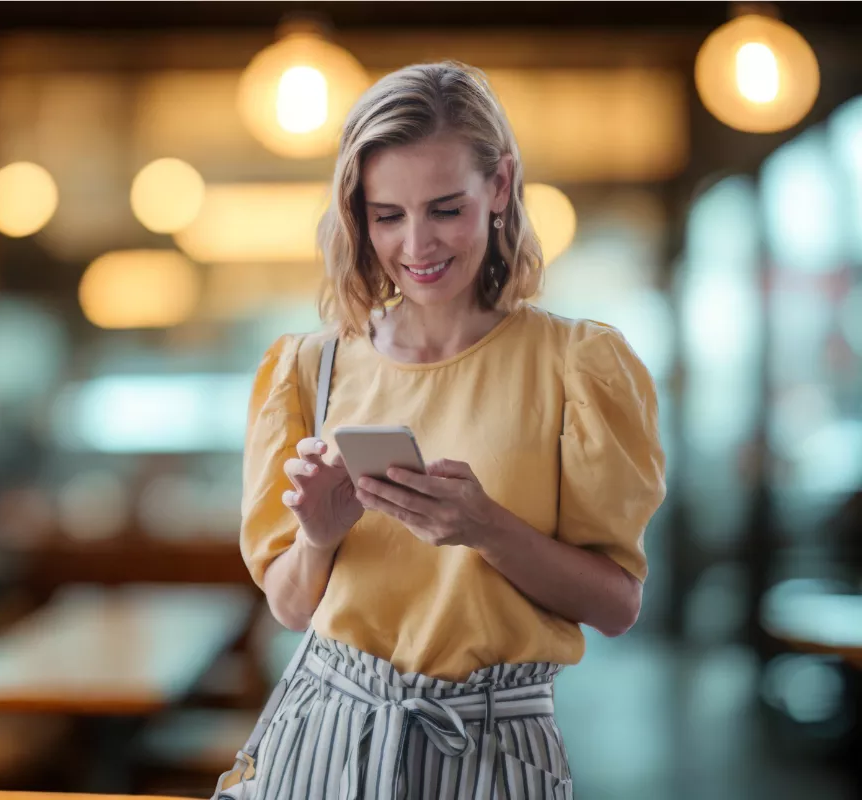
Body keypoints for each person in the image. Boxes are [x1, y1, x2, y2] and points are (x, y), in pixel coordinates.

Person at [239, 62, 666, 799]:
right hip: (325, 735)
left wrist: (485, 527)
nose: (416, 246)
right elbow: (291, 607)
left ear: (499, 187)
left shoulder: (577, 365)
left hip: (497, 741)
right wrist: (318, 532)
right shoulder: (312, 367)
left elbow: (616, 605)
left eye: (445, 209)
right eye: (387, 216)